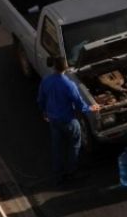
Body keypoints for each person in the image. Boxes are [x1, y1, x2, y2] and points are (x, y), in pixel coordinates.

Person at [37, 55, 99, 185]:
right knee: (74, 144)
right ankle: (72, 171)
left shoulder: (46, 81)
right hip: (68, 120)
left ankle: (58, 173)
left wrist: (44, 112)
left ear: (54, 66)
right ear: (66, 67)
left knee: (57, 146)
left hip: (53, 120)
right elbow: (80, 105)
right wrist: (91, 107)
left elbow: (41, 99)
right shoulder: (69, 85)